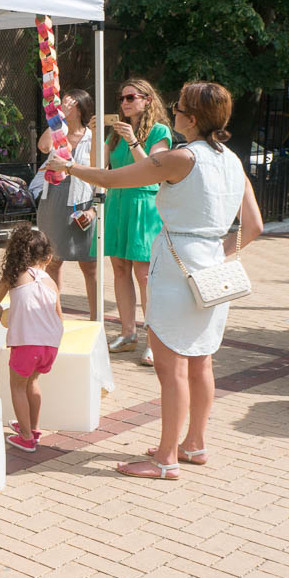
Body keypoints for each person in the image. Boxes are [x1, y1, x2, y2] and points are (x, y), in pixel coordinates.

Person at [47, 81, 263, 479]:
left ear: (192, 119)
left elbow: (113, 179)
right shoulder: (232, 159)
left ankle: (165, 458)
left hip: (178, 268)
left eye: (179, 108)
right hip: (212, 268)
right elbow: (254, 226)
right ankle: (194, 444)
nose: (174, 112)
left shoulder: (183, 157)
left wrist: (68, 167)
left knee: (171, 367)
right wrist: (222, 255)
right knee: (201, 361)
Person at [97, 78, 172, 365]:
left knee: (144, 273)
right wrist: (95, 135)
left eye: (131, 97)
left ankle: (154, 339)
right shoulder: (114, 134)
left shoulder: (159, 131)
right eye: (122, 98)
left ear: (147, 99)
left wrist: (132, 139)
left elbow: (152, 169)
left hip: (143, 202)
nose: (125, 103)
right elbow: (100, 166)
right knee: (119, 268)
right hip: (118, 200)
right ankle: (128, 333)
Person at [0, 225, 64, 453]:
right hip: (50, 345)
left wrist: (6, 318)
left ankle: (26, 437)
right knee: (33, 382)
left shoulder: (13, 275)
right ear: (47, 257)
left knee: (18, 386)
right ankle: (34, 428)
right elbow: (59, 316)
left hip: (26, 343)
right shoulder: (50, 282)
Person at [35, 89, 98, 320]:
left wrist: (93, 209)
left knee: (90, 265)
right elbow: (43, 146)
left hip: (82, 201)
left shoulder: (93, 137)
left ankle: (95, 318)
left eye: (69, 105)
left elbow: (100, 170)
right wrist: (57, 116)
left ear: (80, 108)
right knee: (52, 261)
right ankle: (54, 316)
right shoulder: (57, 131)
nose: (64, 107)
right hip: (54, 198)